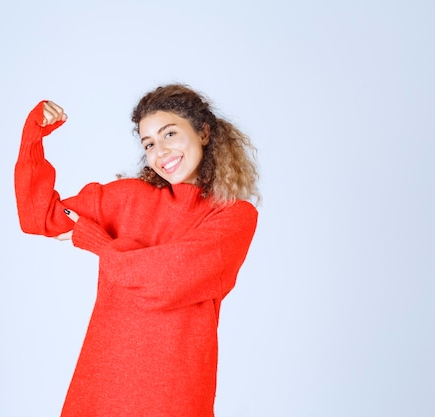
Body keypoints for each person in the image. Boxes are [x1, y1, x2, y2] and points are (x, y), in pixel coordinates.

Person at [14, 84, 260, 417]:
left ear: (203, 132)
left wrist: (98, 242)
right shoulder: (127, 198)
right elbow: (39, 217)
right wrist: (33, 139)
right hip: (103, 385)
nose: (161, 151)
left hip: (176, 392)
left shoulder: (233, 216)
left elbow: (170, 280)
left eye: (169, 134)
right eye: (149, 144)